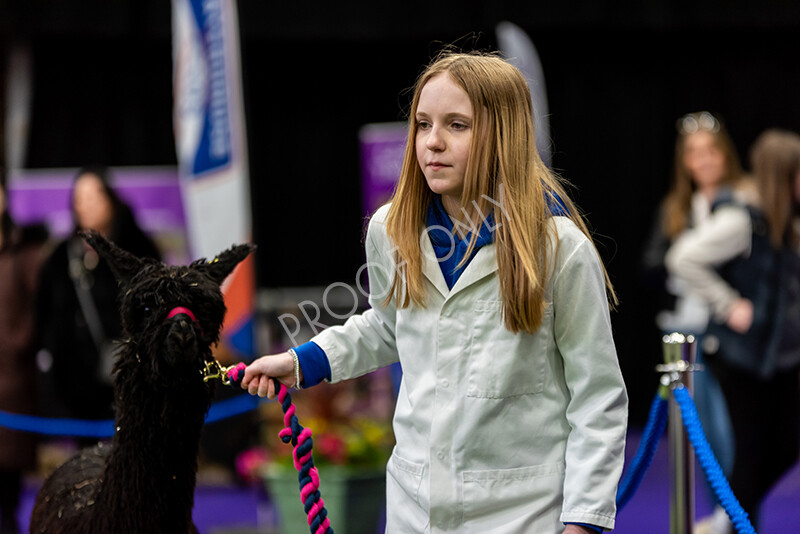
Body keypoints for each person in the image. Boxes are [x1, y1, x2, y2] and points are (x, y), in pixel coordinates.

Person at [241, 51, 628, 533]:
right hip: (413, 508)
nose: (433, 142)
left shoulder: (559, 248)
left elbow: (598, 398)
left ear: (503, 135)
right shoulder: (390, 227)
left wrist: (583, 522)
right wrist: (301, 362)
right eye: (423, 124)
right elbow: (387, 326)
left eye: (457, 125)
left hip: (524, 514)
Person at [666, 129, 800, 532]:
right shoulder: (742, 220)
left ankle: (731, 519)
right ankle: (738, 523)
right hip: (742, 358)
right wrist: (727, 304)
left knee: (779, 447)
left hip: (782, 359)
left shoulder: (788, 221)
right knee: (745, 451)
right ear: (783, 175)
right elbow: (683, 258)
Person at [640, 111, 741, 524]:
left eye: (710, 151)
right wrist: (681, 269)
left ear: (725, 155)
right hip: (684, 334)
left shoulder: (740, 203)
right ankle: (718, 513)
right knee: (698, 433)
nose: (702, 160)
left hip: (728, 335)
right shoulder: (675, 208)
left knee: (730, 429)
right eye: (693, 152)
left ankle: (731, 511)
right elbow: (654, 265)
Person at [35, 166, 161, 423]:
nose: (85, 206)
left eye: (93, 197)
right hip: (75, 385)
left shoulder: (138, 249)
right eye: (79, 199)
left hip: (130, 377)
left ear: (110, 199)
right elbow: (44, 310)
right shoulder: (62, 255)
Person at [0, 176, 48, 534]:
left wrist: (21, 342)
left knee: (8, 469)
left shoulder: (24, 250)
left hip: (11, 378)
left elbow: (42, 307)